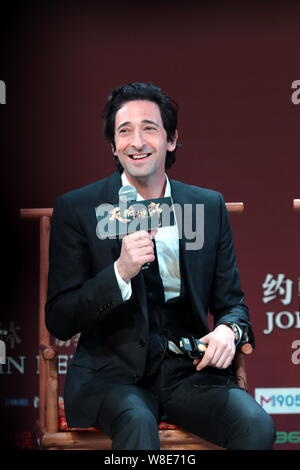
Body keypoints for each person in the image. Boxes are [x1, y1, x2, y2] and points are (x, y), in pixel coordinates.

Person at [45, 82, 276, 450]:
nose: (137, 141)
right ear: (113, 146)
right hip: (113, 379)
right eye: (125, 131)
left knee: (256, 424)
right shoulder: (78, 209)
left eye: (149, 128)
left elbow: (233, 304)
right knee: (137, 422)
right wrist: (119, 271)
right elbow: (59, 319)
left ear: (171, 140)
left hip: (190, 374)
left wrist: (229, 331)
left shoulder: (206, 206)